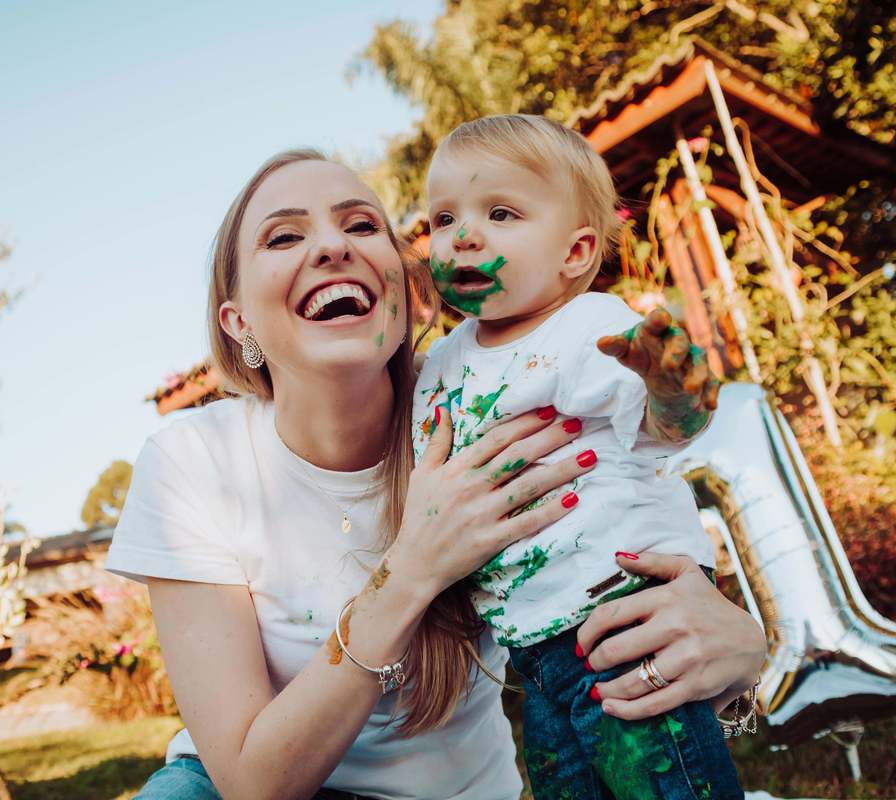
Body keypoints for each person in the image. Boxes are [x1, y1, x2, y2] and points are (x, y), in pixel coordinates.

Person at [104, 147, 766, 800]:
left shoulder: (495, 403)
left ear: (406, 288)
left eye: (362, 226)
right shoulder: (193, 462)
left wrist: (738, 662)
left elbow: (635, 468)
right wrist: (415, 567)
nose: (334, 246)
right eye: (285, 236)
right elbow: (255, 785)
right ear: (238, 320)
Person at [413, 114, 741, 799]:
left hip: (624, 620)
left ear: (575, 251)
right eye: (443, 219)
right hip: (532, 652)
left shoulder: (587, 327)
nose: (464, 235)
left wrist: (672, 389)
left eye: (499, 213)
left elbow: (662, 428)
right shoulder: (439, 364)